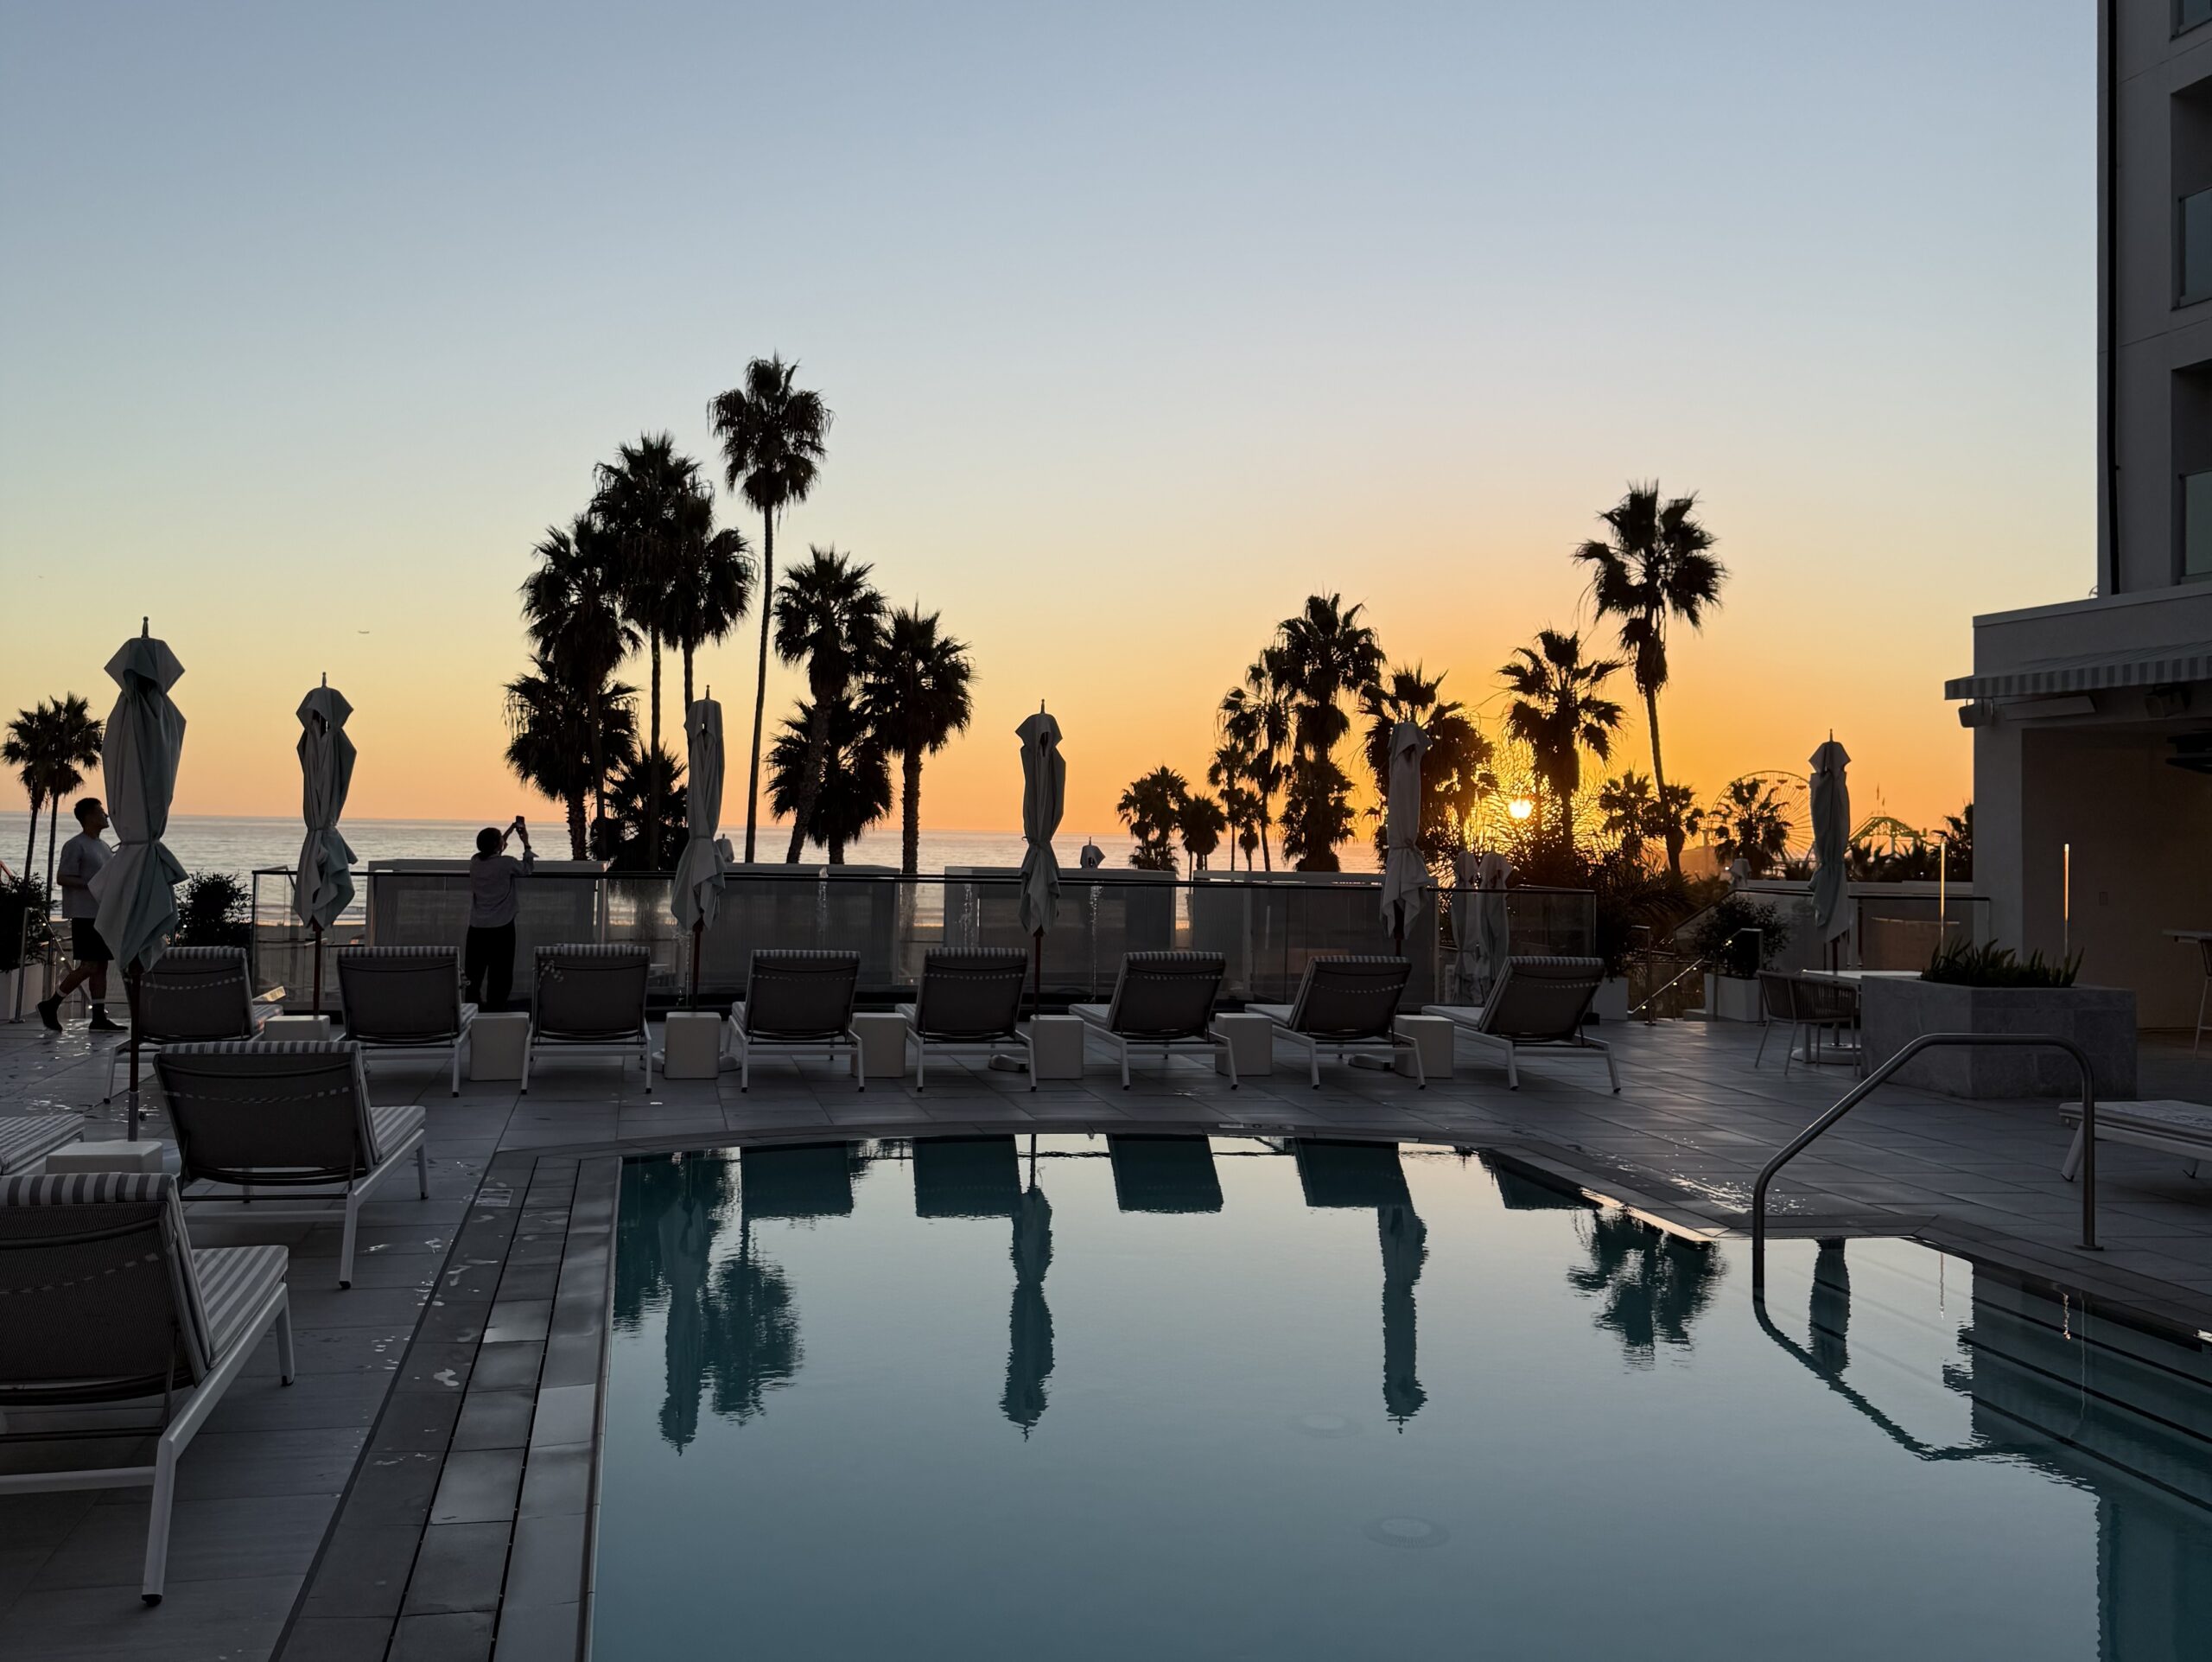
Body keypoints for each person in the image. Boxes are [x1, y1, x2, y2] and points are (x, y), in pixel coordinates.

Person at [38, 797, 124, 1032]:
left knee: (101, 966)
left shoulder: (104, 846)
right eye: (101, 812)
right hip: (85, 915)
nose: (106, 816)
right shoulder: (76, 845)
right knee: (89, 966)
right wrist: (93, 884)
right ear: (88, 817)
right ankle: (51, 1004)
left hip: (103, 913)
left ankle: (98, 1017)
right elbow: (62, 877)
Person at [464, 816, 535, 1009]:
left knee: (474, 973)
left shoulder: (475, 862)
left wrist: (511, 830)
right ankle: (496, 1011)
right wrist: (526, 843)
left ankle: (472, 1010)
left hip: (477, 926)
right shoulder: (507, 863)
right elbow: (528, 869)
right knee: (501, 973)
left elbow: (495, 850)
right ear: (499, 845)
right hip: (502, 926)